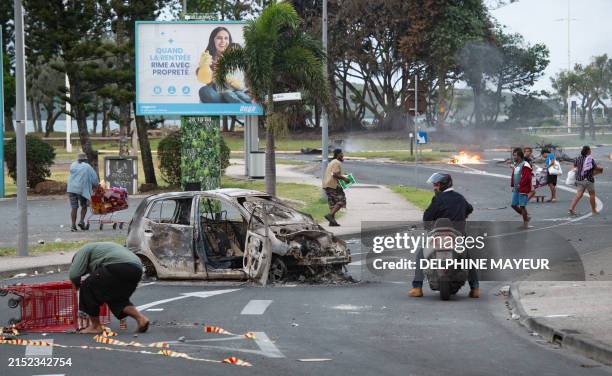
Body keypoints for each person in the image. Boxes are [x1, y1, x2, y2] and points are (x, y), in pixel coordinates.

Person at [408, 173, 480, 299]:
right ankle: (475, 288)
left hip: (438, 236)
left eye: (436, 185)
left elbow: (427, 218)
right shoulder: (460, 198)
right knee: (468, 258)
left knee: (421, 255)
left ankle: (417, 287)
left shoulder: (438, 199)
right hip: (457, 237)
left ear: (443, 185)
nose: (434, 187)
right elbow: (470, 209)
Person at [69, 242, 149, 334]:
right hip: (136, 270)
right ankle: (141, 319)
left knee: (87, 287)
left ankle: (95, 326)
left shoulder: (82, 252)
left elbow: (74, 274)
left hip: (120, 265)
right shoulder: (100, 251)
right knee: (117, 300)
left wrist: (77, 286)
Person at [196, 27, 251, 103]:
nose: (223, 41)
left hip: (240, 92)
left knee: (237, 94)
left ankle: (239, 106)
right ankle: (233, 106)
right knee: (205, 91)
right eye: (219, 38)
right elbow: (206, 80)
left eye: (226, 38)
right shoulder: (207, 58)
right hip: (222, 94)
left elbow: (245, 82)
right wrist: (205, 66)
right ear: (213, 40)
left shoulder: (237, 54)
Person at [66, 154, 99, 232]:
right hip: (81, 189)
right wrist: (96, 185)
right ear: (85, 160)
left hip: (71, 189)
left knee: (74, 207)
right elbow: (94, 179)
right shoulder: (87, 167)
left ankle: (73, 226)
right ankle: (81, 221)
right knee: (84, 206)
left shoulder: (73, 165)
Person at [568, 146, 600, 216]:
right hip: (589, 179)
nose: (591, 151)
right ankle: (594, 210)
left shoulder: (577, 158)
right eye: (590, 150)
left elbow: (575, 167)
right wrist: (600, 170)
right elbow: (595, 168)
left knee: (578, 195)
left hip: (579, 179)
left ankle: (571, 208)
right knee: (592, 195)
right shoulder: (590, 159)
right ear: (588, 151)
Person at [322, 149, 350, 227]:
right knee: (341, 200)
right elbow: (334, 174)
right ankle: (330, 215)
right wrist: (344, 178)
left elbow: (334, 173)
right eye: (341, 154)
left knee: (332, 203)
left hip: (328, 185)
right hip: (333, 185)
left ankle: (332, 222)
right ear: (338, 154)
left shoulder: (332, 162)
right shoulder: (336, 162)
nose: (343, 155)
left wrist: (343, 176)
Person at [510, 148, 533, 229]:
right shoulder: (516, 164)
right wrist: (513, 185)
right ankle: (526, 217)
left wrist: (521, 184)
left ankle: (525, 223)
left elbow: (527, 177)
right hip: (516, 188)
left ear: (519, 156)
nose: (514, 157)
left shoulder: (525, 164)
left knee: (522, 206)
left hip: (522, 188)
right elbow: (514, 175)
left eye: (515, 155)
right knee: (513, 205)